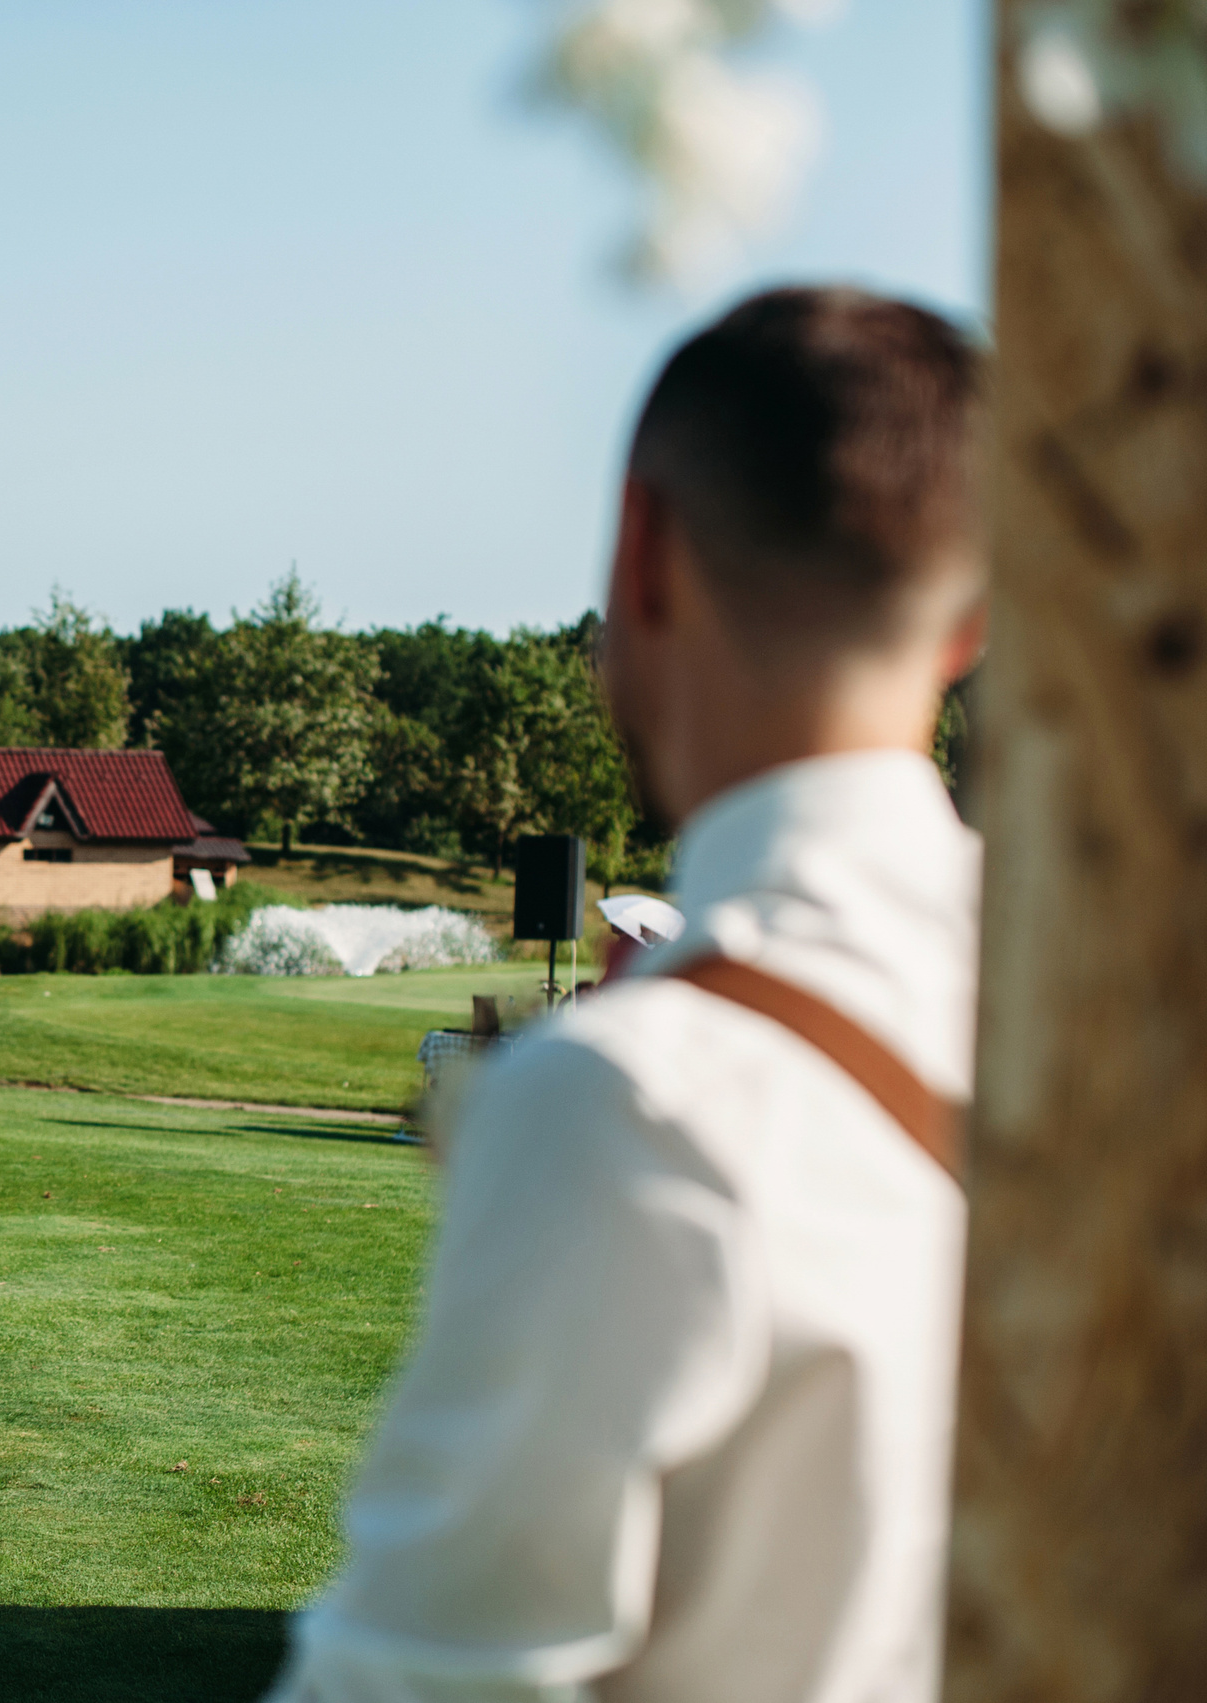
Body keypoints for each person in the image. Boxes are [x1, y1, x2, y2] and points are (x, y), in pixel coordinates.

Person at [269, 287, 987, 1702]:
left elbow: (423, 1679)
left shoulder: (637, 1092)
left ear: (641, 551)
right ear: (966, 626)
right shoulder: (1122, 1024)